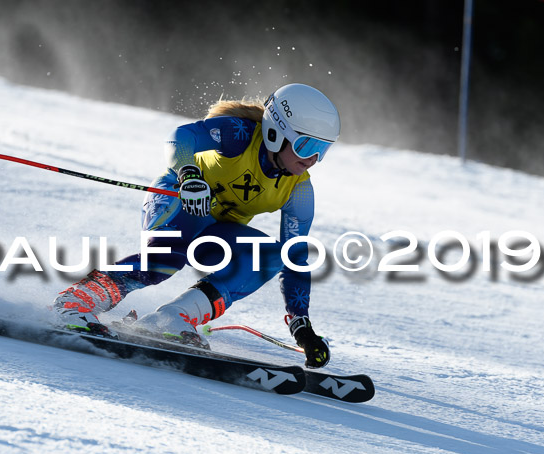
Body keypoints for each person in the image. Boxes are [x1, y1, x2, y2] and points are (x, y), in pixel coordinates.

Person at [52, 83, 340, 368]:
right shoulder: (240, 135)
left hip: (215, 230)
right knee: (164, 261)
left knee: (270, 256)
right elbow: (181, 136)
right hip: (177, 199)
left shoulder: (299, 191)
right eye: (307, 145)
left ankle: (172, 319)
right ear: (276, 133)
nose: (313, 159)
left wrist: (301, 326)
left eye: (322, 149)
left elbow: (295, 257)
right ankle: (76, 301)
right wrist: (189, 175)